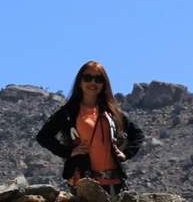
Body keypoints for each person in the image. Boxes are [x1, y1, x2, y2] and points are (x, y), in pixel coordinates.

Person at [36, 61, 145, 194]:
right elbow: (43, 136)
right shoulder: (68, 112)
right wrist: (69, 152)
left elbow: (138, 135)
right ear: (80, 82)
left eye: (98, 79)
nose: (93, 82)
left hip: (115, 183)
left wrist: (125, 154)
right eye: (88, 78)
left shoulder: (111, 112)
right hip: (84, 183)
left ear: (104, 84)